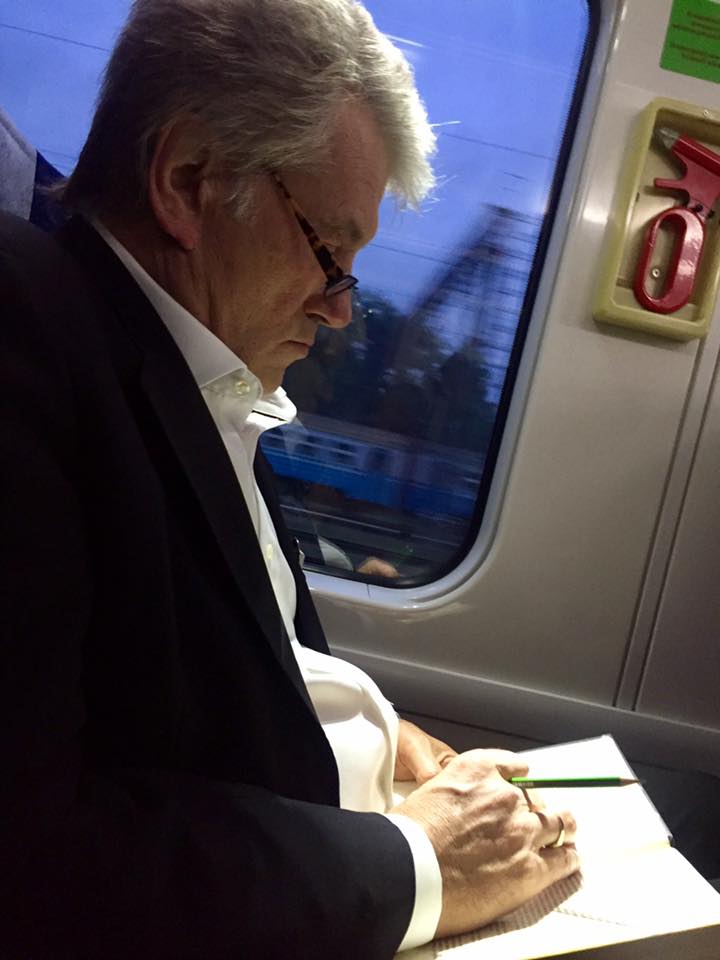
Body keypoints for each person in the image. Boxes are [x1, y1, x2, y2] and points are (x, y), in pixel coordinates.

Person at [0, 1, 580, 957]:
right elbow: (29, 852)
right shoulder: (25, 332)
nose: (342, 309)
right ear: (188, 179)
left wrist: (378, 732)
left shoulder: (203, 381)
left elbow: (188, 681)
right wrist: (421, 862)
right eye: (330, 251)